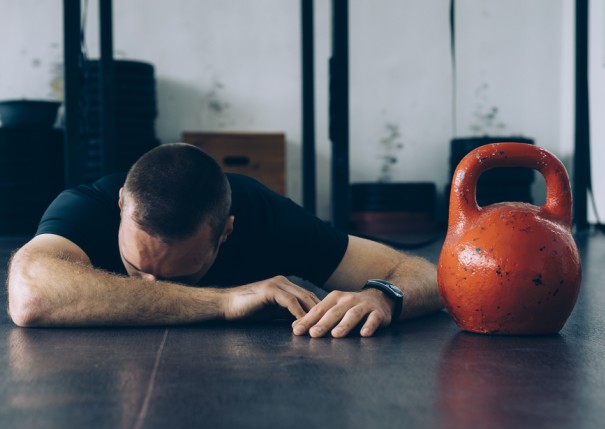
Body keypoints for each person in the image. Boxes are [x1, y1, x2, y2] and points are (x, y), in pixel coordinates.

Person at [7, 143, 441, 337]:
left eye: (182, 276)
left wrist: (382, 297)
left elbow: (423, 273)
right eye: (136, 267)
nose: (151, 285)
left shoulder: (264, 215)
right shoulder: (87, 205)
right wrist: (225, 301)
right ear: (121, 205)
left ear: (226, 231)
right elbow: (29, 296)